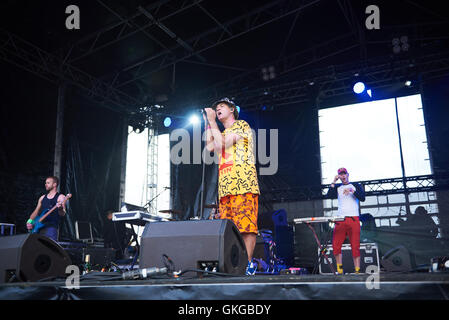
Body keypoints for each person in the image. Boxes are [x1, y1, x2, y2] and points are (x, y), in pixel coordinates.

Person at [203, 97, 260, 275]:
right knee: (230, 230)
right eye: (216, 108)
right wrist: (208, 123)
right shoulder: (220, 132)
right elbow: (210, 147)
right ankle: (234, 265)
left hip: (243, 184)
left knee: (246, 227)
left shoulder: (241, 126)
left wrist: (212, 121)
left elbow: (220, 143)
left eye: (221, 106)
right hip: (226, 187)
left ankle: (248, 264)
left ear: (232, 110)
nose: (218, 109)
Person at [326, 168, 365, 274]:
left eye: (344, 174)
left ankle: (357, 270)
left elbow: (362, 198)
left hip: (353, 218)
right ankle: (340, 268)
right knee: (336, 244)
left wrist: (352, 191)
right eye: (340, 175)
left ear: (348, 175)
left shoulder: (355, 185)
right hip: (340, 219)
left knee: (355, 245)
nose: (342, 176)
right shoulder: (338, 187)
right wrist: (333, 181)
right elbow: (328, 196)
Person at [26, 176, 66, 241]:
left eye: (48, 183)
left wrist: (60, 208)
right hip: (38, 228)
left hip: (51, 228)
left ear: (54, 184)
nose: (45, 184)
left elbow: (62, 214)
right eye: (45, 183)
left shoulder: (61, 197)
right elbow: (36, 212)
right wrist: (29, 221)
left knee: (49, 249)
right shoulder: (42, 198)